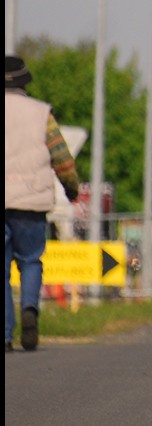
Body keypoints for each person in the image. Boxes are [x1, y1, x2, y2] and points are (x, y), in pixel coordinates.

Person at [5, 55, 81, 352]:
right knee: (30, 261)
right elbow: (61, 157)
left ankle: (5, 334)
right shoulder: (41, 114)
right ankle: (30, 311)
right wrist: (71, 188)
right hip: (30, 200)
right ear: (24, 82)